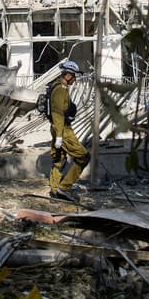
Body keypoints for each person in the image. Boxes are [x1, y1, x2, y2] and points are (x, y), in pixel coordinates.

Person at [47, 60, 89, 201]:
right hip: (62, 129)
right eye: (74, 76)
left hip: (60, 128)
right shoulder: (60, 89)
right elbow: (57, 112)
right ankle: (64, 188)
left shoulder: (61, 87)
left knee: (60, 160)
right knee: (83, 156)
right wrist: (59, 135)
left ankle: (54, 191)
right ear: (68, 75)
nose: (75, 79)